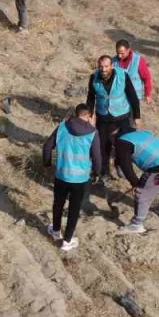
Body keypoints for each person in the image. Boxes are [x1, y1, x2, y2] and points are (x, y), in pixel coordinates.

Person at [42, 104, 103, 251]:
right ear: (89, 116)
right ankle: (67, 240)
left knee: (58, 203)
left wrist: (47, 164)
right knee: (74, 209)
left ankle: (56, 231)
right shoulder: (93, 133)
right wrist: (96, 173)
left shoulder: (62, 127)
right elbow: (97, 157)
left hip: (61, 174)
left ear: (76, 114)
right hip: (80, 179)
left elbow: (47, 146)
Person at [115, 128, 159, 235]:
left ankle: (136, 224)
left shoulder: (122, 142)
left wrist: (135, 183)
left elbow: (125, 166)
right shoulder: (143, 133)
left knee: (142, 194)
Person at [86, 54, 140, 174]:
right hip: (103, 117)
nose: (103, 69)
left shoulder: (122, 76)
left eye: (106, 66)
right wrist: (89, 115)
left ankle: (120, 165)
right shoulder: (93, 78)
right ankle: (104, 172)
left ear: (111, 66)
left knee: (123, 144)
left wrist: (137, 116)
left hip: (122, 116)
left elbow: (133, 96)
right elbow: (90, 98)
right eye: (101, 66)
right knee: (103, 146)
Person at [114, 38, 154, 108]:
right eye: (118, 53)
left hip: (135, 97)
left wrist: (148, 94)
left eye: (122, 53)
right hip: (118, 97)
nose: (119, 56)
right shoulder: (113, 61)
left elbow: (147, 77)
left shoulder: (138, 60)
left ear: (128, 50)